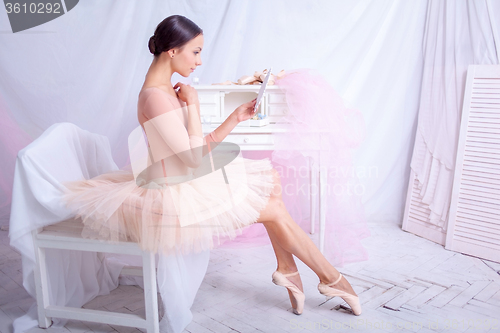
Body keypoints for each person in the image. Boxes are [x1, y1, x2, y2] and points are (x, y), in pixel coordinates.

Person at [63, 14, 361, 317]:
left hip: (183, 177)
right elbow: (192, 157)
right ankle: (331, 279)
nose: (200, 61)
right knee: (272, 207)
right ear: (172, 51)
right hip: (170, 191)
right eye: (196, 52)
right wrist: (192, 105)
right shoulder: (154, 97)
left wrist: (235, 117)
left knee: (271, 184)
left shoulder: (167, 89)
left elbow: (192, 150)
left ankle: (293, 271)